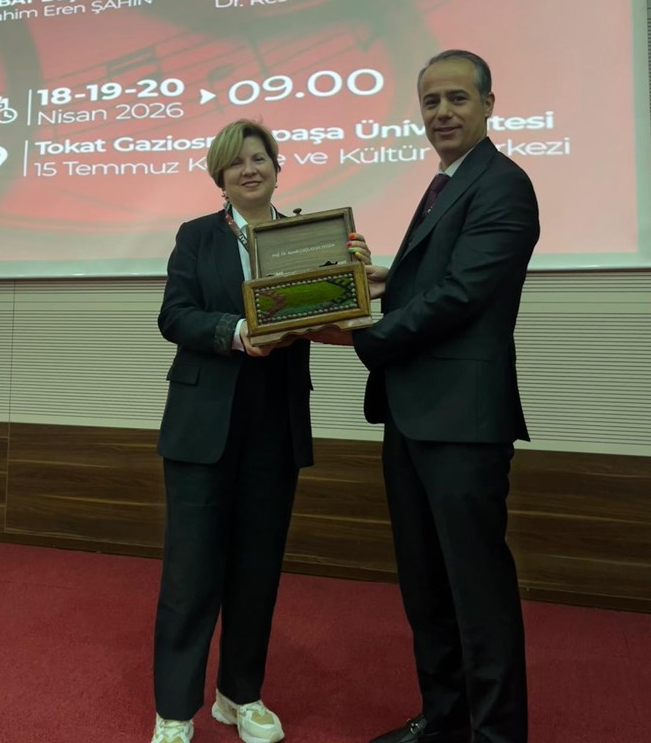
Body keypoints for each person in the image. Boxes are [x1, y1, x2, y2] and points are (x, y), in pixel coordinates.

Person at [316, 50, 539, 743]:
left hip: (463, 422)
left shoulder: (503, 184)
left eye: (457, 98)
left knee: (476, 592)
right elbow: (438, 280)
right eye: (431, 101)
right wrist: (384, 281)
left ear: (488, 105)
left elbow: (464, 294)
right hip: (414, 415)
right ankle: (444, 720)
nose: (442, 112)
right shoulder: (447, 183)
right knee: (426, 586)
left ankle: (495, 735)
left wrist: (361, 336)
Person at [151, 118, 369, 743]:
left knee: (257, 570)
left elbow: (334, 312)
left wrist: (353, 276)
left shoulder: (310, 237)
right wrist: (237, 332)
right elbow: (175, 316)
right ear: (219, 177)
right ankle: (174, 710)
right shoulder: (196, 236)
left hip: (274, 425)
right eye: (235, 162)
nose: (249, 170)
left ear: (277, 167)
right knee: (191, 574)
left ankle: (238, 695)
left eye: (259, 159)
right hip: (202, 428)